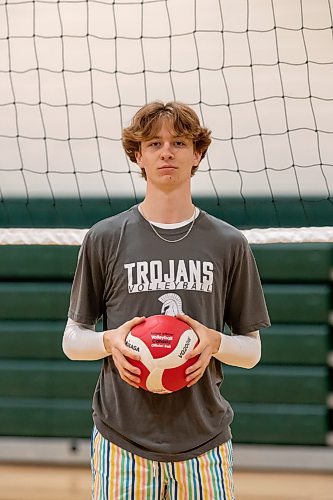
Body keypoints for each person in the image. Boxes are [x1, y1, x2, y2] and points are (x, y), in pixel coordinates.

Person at [63, 101, 270, 499]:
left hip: (204, 442)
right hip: (121, 441)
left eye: (178, 141)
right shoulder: (105, 238)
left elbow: (251, 351)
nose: (167, 152)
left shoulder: (229, 243)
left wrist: (216, 342)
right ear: (138, 155)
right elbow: (72, 340)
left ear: (198, 153)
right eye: (154, 143)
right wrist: (109, 341)